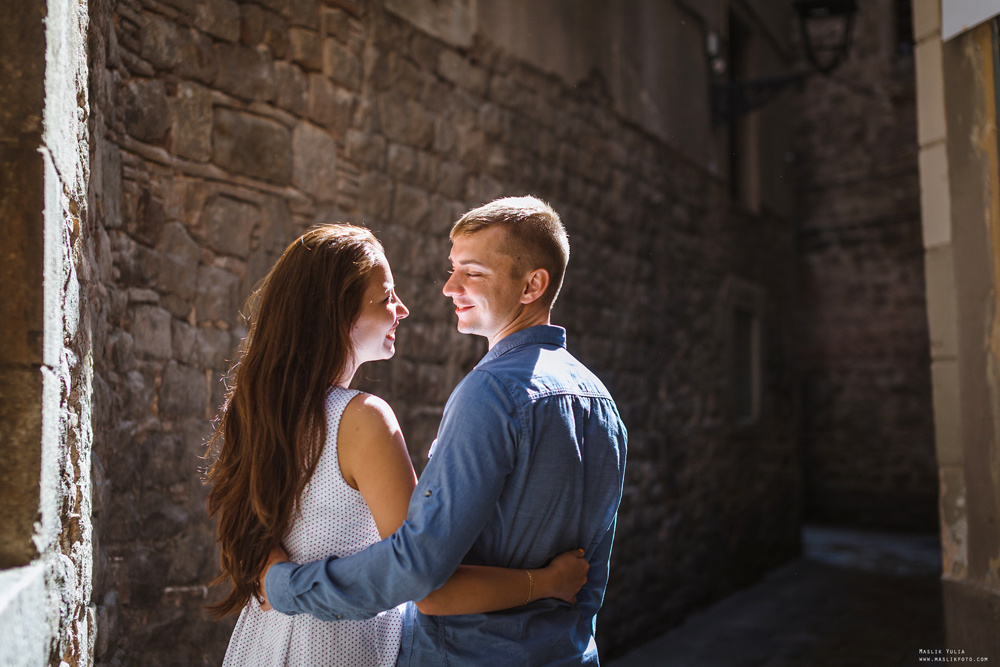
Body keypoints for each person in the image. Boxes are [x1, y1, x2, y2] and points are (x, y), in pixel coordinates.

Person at [261, 197, 628, 665]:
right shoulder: (601, 403)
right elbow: (589, 581)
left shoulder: (491, 394)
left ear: (532, 285)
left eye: (472, 272)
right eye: (452, 268)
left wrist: (284, 587)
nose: (449, 286)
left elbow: (421, 576)